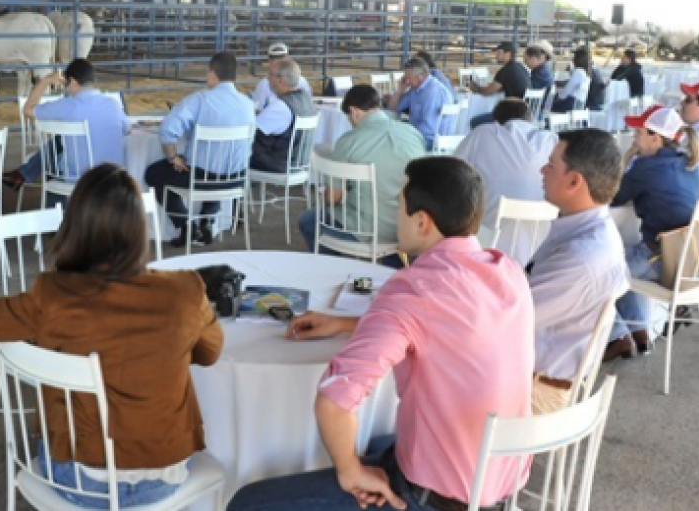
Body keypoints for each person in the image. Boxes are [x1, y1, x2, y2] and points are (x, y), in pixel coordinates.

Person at [228, 157, 534, 511]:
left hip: (429, 499)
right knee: (381, 436)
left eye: (398, 206)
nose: (394, 216)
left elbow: (334, 402)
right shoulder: (507, 271)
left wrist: (352, 472)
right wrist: (344, 323)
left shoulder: (415, 289)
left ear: (422, 222)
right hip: (498, 485)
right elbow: (445, 331)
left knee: (248, 502)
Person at [0, 163, 222, 509]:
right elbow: (211, 353)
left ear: (75, 225)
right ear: (140, 228)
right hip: (164, 475)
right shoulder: (185, 291)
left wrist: (36, 333)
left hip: (78, 479)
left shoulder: (51, 296)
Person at [529, 129, 630, 413]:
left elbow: (508, 320)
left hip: (537, 391)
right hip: (538, 374)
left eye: (551, 165)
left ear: (575, 181)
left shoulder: (581, 256)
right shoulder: (585, 227)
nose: (542, 170)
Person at [608, 105, 699, 360]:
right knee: (620, 266)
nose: (634, 138)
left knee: (602, 272)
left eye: (638, 132)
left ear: (655, 137)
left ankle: (616, 337)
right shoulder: (689, 163)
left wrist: (626, 160)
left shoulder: (646, 168)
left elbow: (611, 196)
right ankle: (639, 335)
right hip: (695, 259)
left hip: (664, 260)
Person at [298, 85, 424, 265]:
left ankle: (331, 269)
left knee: (308, 220)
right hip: (409, 226)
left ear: (354, 111)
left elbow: (333, 197)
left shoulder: (349, 142)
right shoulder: (412, 132)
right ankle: (392, 268)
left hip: (367, 230)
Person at [145, 52, 255, 249]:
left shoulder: (199, 100)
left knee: (153, 174)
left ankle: (186, 225)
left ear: (212, 73)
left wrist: (172, 157)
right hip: (236, 177)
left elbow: (167, 130)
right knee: (217, 167)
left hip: (202, 177)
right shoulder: (247, 104)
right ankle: (207, 220)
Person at [2, 59, 128, 191]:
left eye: (67, 83)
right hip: (112, 174)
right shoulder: (113, 104)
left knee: (55, 154)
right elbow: (127, 129)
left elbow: (27, 110)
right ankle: (22, 174)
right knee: (61, 141)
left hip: (78, 176)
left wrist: (45, 81)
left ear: (72, 81)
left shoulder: (66, 105)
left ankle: (55, 205)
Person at [455, 99, 556, 236]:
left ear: (496, 120)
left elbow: (452, 170)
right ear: (529, 119)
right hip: (541, 241)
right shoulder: (551, 140)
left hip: (487, 240)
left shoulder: (483, 133)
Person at [250, 58, 317, 172]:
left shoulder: (281, 106)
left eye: (270, 74)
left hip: (279, 163)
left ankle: (224, 184)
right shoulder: (307, 101)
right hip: (299, 163)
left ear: (280, 79)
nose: (267, 78)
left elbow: (251, 131)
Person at [387, 56, 453, 150]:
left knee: (393, 144)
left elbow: (429, 127)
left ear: (420, 77)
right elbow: (393, 109)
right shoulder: (415, 89)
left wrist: (406, 133)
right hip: (420, 136)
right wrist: (400, 90)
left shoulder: (433, 91)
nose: (407, 81)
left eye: (408, 77)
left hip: (432, 141)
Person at [468, 41, 529, 128]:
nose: (496, 55)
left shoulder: (506, 70)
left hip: (511, 115)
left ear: (508, 53)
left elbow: (488, 91)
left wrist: (476, 88)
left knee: (474, 122)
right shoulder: (522, 67)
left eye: (499, 52)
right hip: (524, 113)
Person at [250, 43, 310, 110]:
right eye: (274, 58)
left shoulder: (265, 83)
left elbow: (257, 108)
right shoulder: (302, 81)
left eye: (280, 58)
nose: (277, 61)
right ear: (288, 58)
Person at [552, 47, 592, 113]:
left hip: (570, 105)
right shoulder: (586, 73)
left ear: (578, 59)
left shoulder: (578, 72)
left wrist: (557, 97)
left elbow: (565, 92)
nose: (572, 59)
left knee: (545, 105)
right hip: (579, 105)